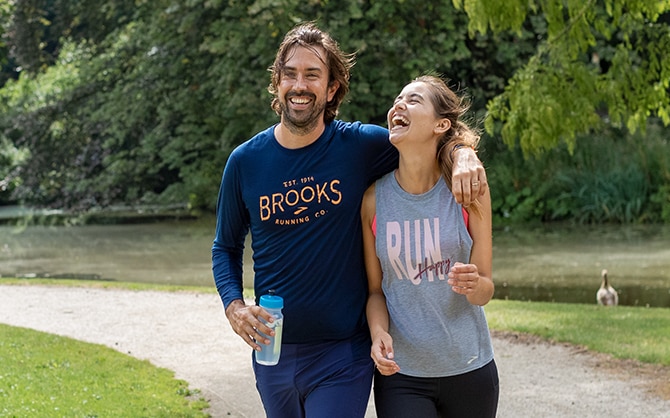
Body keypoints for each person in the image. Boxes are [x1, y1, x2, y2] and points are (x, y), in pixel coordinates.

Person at [211, 23, 487, 418]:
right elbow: (225, 246)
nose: (299, 85)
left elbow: (428, 139)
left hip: (344, 353)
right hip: (273, 349)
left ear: (332, 88)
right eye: (289, 74)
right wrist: (234, 307)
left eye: (312, 75)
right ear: (277, 83)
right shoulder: (244, 162)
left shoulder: (360, 146)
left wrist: (463, 152)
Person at [361, 75, 498, 417]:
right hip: (402, 374)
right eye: (397, 99)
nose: (399, 105)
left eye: (413, 100)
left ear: (441, 124)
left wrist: (474, 284)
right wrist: (378, 333)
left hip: (470, 367)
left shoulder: (469, 190)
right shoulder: (373, 201)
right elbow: (376, 291)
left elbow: (485, 289)